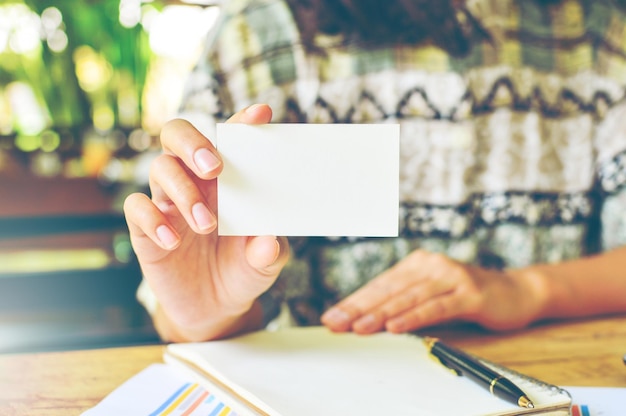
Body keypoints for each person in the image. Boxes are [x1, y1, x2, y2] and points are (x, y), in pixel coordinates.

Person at [124, 0, 626, 342]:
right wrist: (206, 313)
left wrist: (528, 289)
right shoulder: (255, 40)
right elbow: (188, 312)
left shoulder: (601, 35)